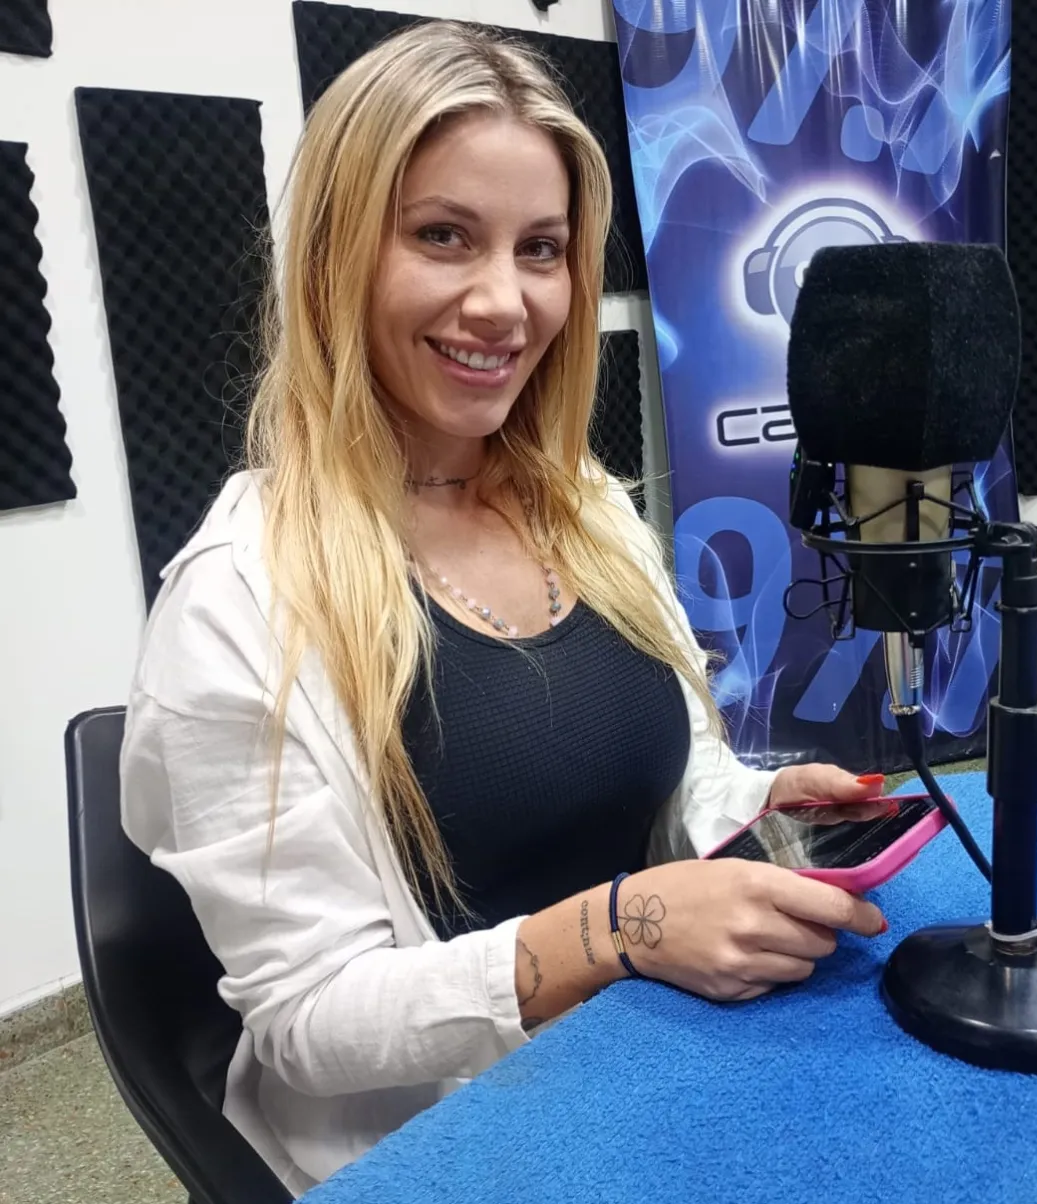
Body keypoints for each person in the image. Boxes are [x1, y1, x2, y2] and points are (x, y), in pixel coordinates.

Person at [119, 20, 890, 1196]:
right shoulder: (235, 601)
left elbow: (668, 776)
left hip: (644, 1051)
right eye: (443, 235)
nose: (504, 301)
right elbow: (311, 1022)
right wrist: (617, 928)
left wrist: (755, 803)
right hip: (453, 1141)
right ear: (333, 254)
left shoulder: (586, 508)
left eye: (542, 249)